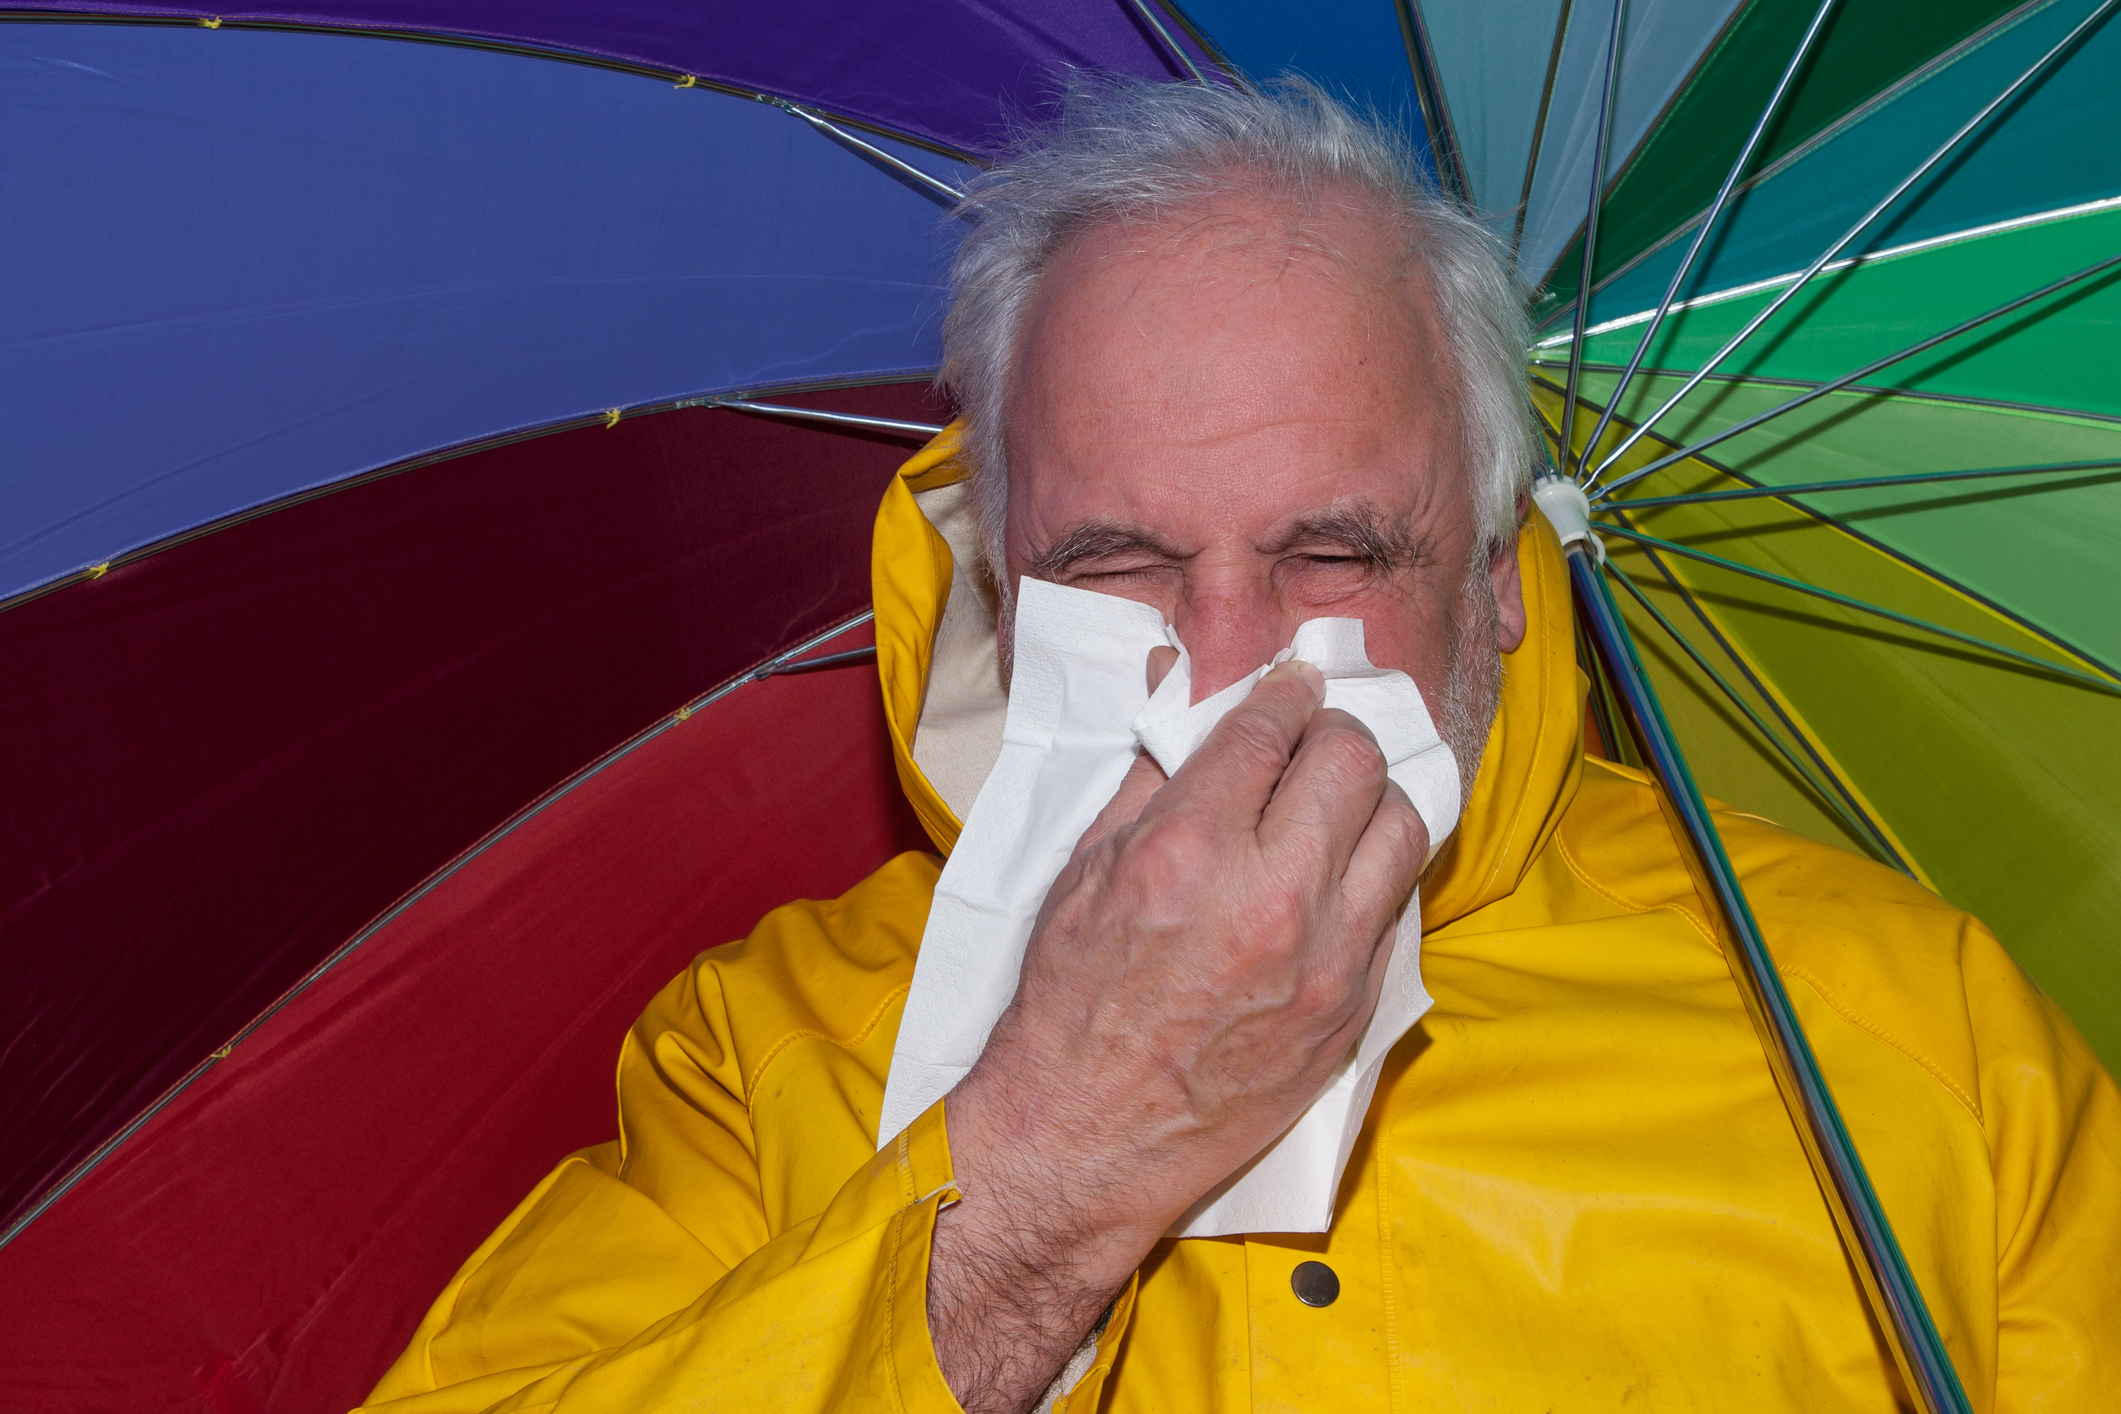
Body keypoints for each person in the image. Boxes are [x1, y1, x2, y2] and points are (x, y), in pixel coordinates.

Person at [356, 78, 2119, 1414]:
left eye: (1332, 554)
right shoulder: (770, 1056)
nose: (1221, 663)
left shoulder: (1909, 1042)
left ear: (1496, 577)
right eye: (1115, 561)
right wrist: (1044, 1176)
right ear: (1000, 586)